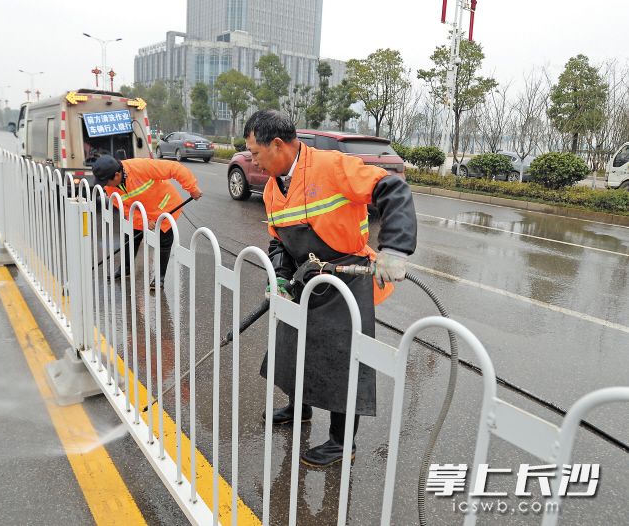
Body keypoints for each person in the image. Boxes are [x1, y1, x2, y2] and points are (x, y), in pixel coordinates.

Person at [244, 109, 417, 468]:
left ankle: (342, 443)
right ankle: (300, 407)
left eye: (256, 154)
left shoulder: (332, 166)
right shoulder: (273, 190)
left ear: (277, 145)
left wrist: (395, 249)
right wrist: (278, 276)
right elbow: (278, 241)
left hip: (346, 279)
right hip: (304, 278)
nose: (254, 161)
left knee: (344, 363)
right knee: (292, 347)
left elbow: (392, 188)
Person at [91, 154, 202, 289]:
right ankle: (125, 269)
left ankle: (159, 278)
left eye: (106, 182)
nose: (105, 186)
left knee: (164, 243)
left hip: (164, 208)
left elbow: (175, 168)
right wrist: (144, 221)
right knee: (130, 239)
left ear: (117, 175)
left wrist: (192, 188)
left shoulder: (140, 167)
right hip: (139, 214)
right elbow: (123, 207)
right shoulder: (110, 187)